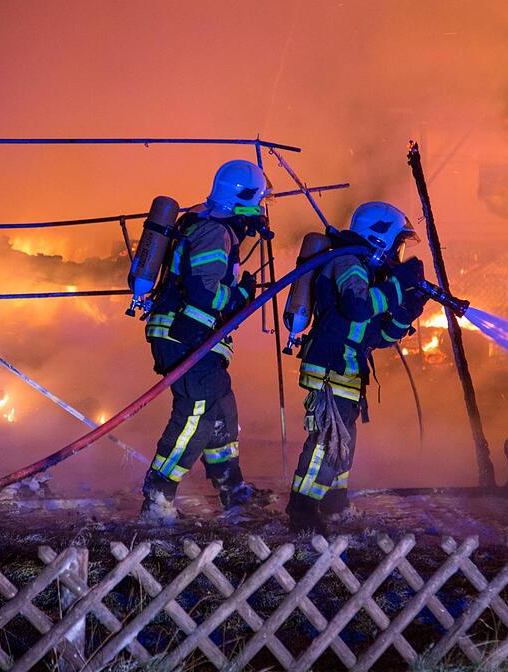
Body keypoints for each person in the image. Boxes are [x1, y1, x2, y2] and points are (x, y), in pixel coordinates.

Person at [140, 160, 272, 523]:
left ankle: (232, 489)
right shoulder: (214, 232)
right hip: (184, 334)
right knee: (196, 412)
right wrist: (240, 294)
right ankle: (158, 497)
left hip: (197, 336)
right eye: (258, 200)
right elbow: (204, 293)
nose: (261, 209)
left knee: (221, 409)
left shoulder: (212, 224)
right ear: (242, 198)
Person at [286, 201, 429, 532]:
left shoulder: (366, 271)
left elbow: (376, 337)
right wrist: (397, 286)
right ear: (380, 237)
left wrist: (406, 312)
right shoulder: (347, 262)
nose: (399, 251)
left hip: (348, 370)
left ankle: (335, 504)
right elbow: (357, 306)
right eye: (398, 242)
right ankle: (302, 510)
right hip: (331, 367)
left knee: (343, 441)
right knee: (325, 441)